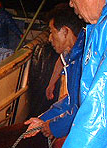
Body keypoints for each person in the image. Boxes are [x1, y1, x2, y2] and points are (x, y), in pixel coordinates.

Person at [48, 0, 107, 148]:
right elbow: (80, 99)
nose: (72, 3)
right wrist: (44, 119)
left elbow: (100, 107)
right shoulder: (97, 30)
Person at [24, 5, 85, 140]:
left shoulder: (83, 60)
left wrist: (52, 127)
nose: (50, 38)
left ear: (65, 31)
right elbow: (71, 101)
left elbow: (82, 109)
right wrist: (42, 120)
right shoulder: (73, 56)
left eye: (52, 32)